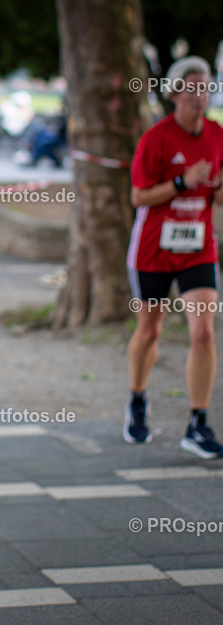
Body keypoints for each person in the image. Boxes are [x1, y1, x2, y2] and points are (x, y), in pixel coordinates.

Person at [125, 55, 223, 458]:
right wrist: (184, 181)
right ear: (175, 93)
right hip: (153, 248)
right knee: (150, 330)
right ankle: (136, 399)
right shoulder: (157, 138)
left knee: (203, 331)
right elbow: (139, 196)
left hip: (198, 245)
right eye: (194, 87)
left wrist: (215, 188)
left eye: (207, 87)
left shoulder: (218, 134)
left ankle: (198, 422)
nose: (201, 95)